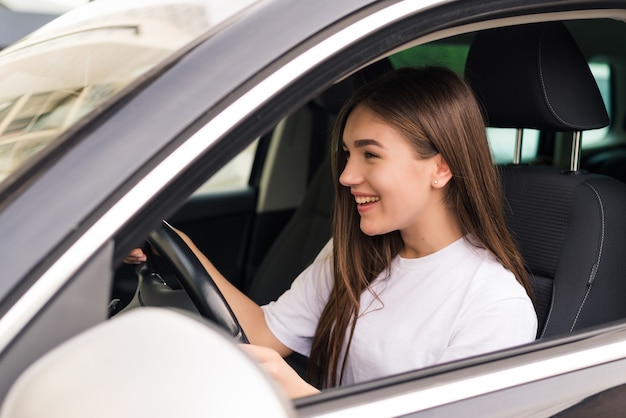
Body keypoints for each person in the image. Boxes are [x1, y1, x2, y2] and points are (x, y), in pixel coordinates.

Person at [125, 66, 537, 399]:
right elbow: (264, 334)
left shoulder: (494, 305)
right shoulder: (357, 250)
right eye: (346, 154)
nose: (345, 176)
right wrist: (181, 246)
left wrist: (307, 401)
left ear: (441, 168)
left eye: (370, 154)